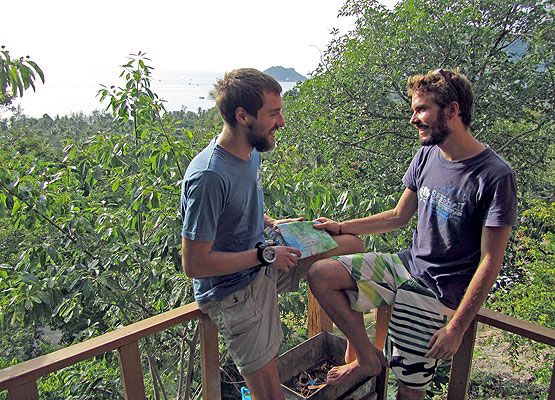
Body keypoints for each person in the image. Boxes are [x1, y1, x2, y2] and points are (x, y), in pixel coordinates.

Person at [308, 68, 517, 400]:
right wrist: (342, 227)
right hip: (406, 265)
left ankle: (374, 362)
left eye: (421, 109)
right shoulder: (427, 154)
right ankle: (367, 358)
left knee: (408, 391)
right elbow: (398, 216)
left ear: (452, 110)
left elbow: (491, 261)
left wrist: (456, 328)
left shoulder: (494, 175)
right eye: (413, 110)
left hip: (439, 291)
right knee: (321, 274)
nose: (413, 118)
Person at [180, 68, 364, 400]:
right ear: (243, 116)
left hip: (263, 259)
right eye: (273, 113)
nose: (281, 122)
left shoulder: (248, 152)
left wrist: (272, 223)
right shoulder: (208, 177)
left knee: (351, 245)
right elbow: (195, 264)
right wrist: (265, 255)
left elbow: (235, 210)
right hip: (234, 291)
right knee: (269, 395)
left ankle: (359, 352)